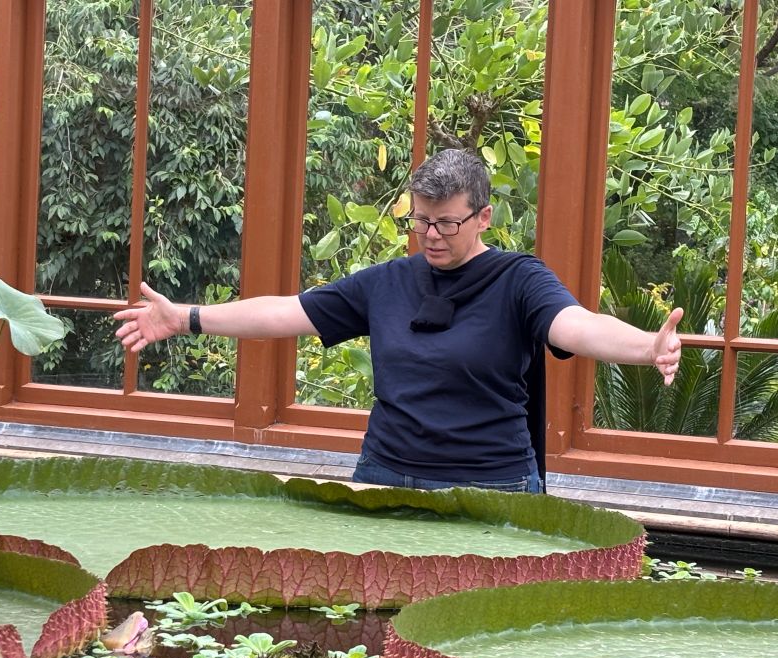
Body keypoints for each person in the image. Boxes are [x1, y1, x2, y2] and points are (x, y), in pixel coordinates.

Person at [114, 149, 683, 493]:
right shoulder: (386, 282)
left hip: (490, 485)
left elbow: (575, 327)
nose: (431, 235)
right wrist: (185, 317)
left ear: (483, 216)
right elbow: (285, 312)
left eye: (447, 223)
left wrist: (645, 347)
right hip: (384, 476)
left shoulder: (519, 280)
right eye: (421, 222)